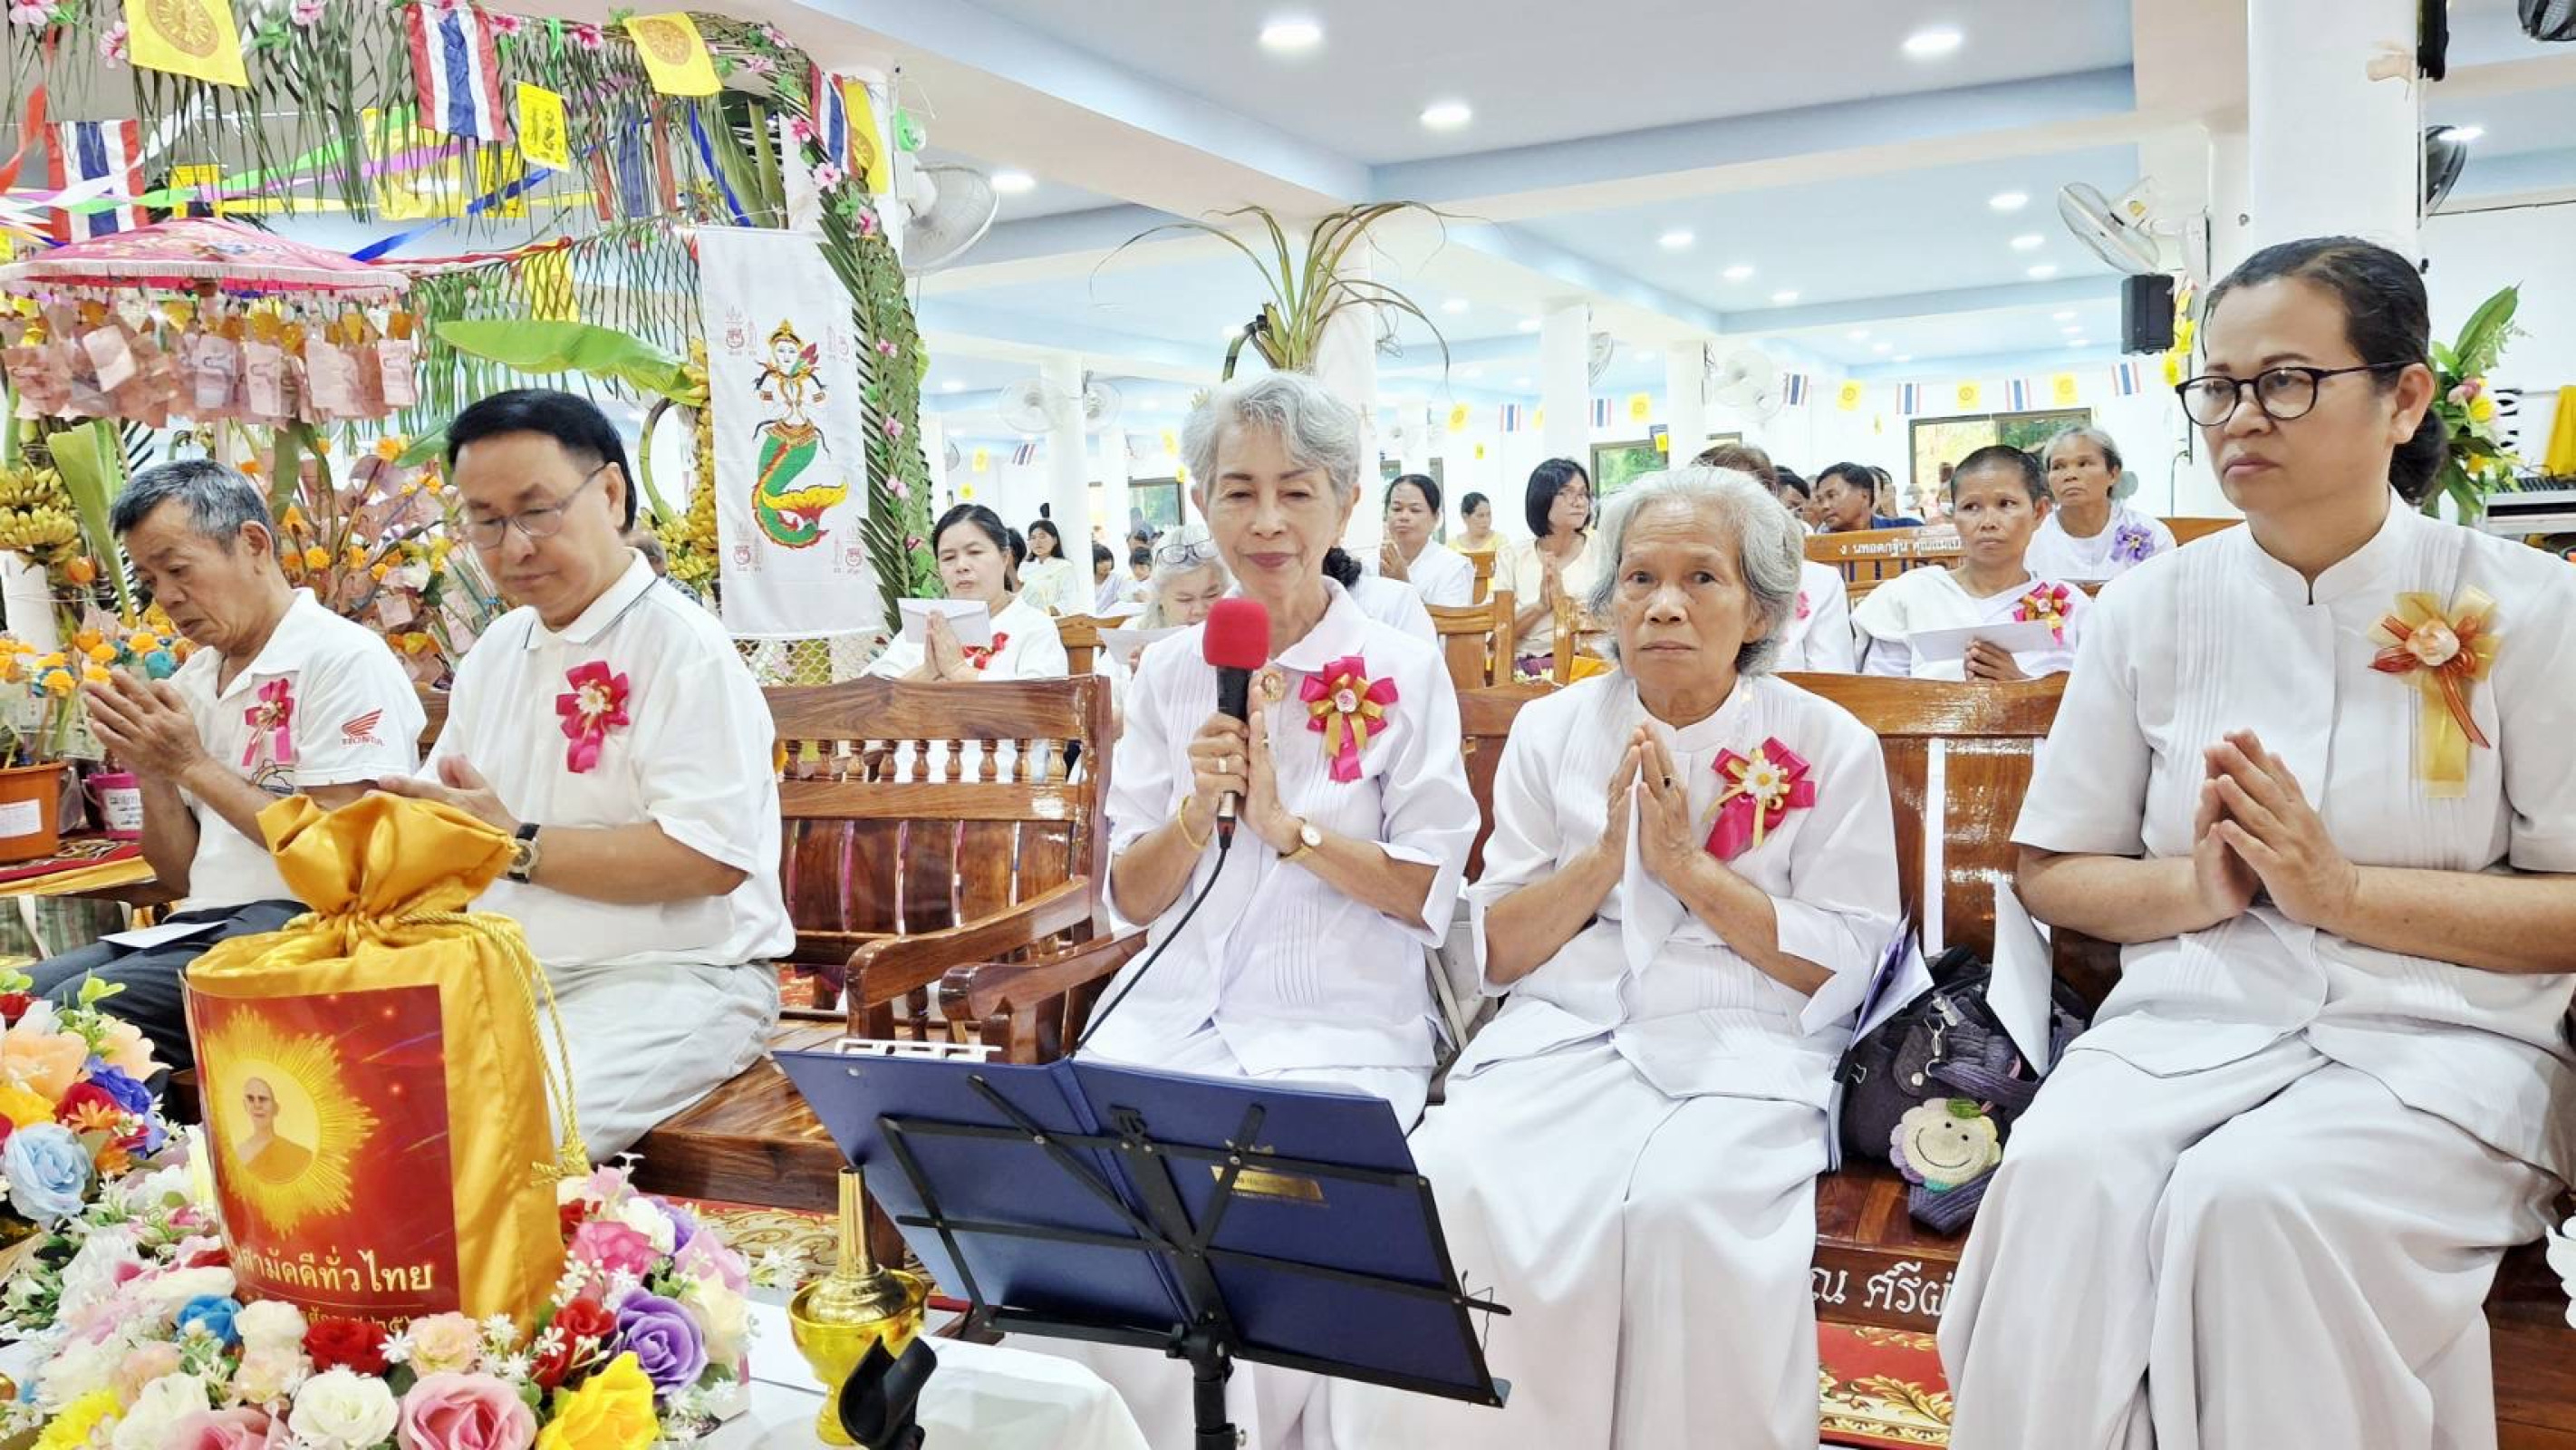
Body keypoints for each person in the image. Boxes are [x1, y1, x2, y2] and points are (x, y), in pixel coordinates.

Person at [1940, 237, 2576, 1449]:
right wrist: (2193, 886)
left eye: (2284, 380)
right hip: (2191, 1019)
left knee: (2255, 1203)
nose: (2241, 417)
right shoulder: (2148, 608)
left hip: (2441, 1041)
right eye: (2217, 387)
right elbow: (2051, 871)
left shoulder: (2524, 611)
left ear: (2401, 397)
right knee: (2060, 1183)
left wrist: (2337, 891)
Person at [1331, 467, 1900, 1450]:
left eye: (1701, 579)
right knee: (1448, 1176)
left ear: (1760, 607)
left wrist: (1685, 868)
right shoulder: (1554, 730)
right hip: (1567, 1029)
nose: (1664, 604)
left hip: (1745, 1037)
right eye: (1637, 579)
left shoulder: (1827, 740)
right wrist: (1601, 860)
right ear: (1605, 603)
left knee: (1686, 1214)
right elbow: (1498, 947)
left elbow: (1847, 962)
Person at [1076, 371, 1477, 1448]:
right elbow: (1129, 897)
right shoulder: (1166, 670)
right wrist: (1196, 806)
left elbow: (1427, 892)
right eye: (1235, 489)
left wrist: (1290, 827)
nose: (1264, 521)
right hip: (1172, 1021)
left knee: (1254, 1250)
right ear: (1198, 504)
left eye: (1294, 492)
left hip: (1335, 1028)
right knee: (1095, 1241)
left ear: (1343, 504)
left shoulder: (1398, 669)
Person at [378, 389, 789, 1159]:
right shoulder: (498, 651)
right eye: (486, 520)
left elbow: (710, 861)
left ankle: (577, 1278)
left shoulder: (682, 648)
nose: (516, 546)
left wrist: (516, 844)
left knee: (489, 1134)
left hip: (675, 980)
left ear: (608, 492)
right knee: (343, 1096)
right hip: (504, 976)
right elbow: (452, 824)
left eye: (537, 511)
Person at [28, 460, 424, 1072]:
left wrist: (189, 762)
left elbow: (343, 864)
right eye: (150, 579)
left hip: (314, 929)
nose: (166, 598)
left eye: (179, 569)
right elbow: (182, 876)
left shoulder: (343, 658)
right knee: (17, 1001)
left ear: (254, 544)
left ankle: (144, 1166)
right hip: (204, 924)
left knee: (69, 1021)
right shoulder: (194, 679)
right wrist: (153, 771)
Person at [1850, 446, 2087, 681]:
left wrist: (2020, 685)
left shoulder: (2069, 604)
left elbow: (2095, 702)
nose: (1988, 522)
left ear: (2039, 512)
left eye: (2006, 504)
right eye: (1971, 507)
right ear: (1954, 517)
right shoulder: (1911, 596)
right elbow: (1880, 697)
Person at [866, 504, 1069, 682]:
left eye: (975, 552)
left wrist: (959, 671)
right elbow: (873, 693)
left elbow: (1043, 704)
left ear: (1005, 557)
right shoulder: (927, 626)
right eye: (948, 557)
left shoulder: (1034, 627)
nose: (961, 566)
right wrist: (926, 672)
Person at [1696, 444, 1851, 672]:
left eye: (1743, 502)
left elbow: (1835, 681)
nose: (1724, 517)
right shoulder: (1667, 587)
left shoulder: (1818, 582)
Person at [2025, 425, 2178, 583]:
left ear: (2113, 474)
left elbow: (2166, 598)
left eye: (2084, 464)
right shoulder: (2028, 538)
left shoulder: (2152, 535)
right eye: (2058, 467)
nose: (2070, 475)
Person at [1499, 459, 1600, 676]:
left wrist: (1568, 609)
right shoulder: (1512, 556)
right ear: (1542, 500)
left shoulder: (1604, 550)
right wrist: (1540, 606)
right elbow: (1497, 635)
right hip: (1525, 669)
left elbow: (1620, 617)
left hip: (1589, 667)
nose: (1579, 502)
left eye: (1583, 493)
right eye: (1566, 492)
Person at [1372, 472, 1475, 607]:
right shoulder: (1369, 564)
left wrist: (1404, 584)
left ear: (1436, 517)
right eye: (1397, 509)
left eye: (1415, 510)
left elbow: (1452, 625)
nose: (1404, 516)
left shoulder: (1453, 567)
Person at [234, 1077, 313, 1185]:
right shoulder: (238, 1154)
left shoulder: (300, 1155)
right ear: (245, 1106)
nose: (257, 1105)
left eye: (263, 1099)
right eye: (251, 1099)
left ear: (276, 1108)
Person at [1018, 517, 1088, 615]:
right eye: (1033, 538)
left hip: (1053, 621)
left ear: (1055, 540)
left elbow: (1068, 601)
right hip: (1024, 618)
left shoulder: (1063, 567)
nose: (1037, 542)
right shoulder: (1024, 567)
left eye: (1042, 537)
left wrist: (1044, 612)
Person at [1814, 462, 1912, 533]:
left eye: (1831, 496)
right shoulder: (1818, 546)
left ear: (1864, 495)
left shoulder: (1908, 529)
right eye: (1820, 500)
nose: (1824, 506)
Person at [1090, 539, 1136, 614]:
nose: (1106, 564)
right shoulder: (1087, 581)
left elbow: (1125, 600)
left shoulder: (1118, 579)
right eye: (1100, 562)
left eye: (1108, 560)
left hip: (1112, 620)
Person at [1454, 489, 1500, 561]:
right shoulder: (1452, 546)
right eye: (1480, 516)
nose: (1486, 520)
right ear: (1465, 517)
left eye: (1488, 514)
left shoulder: (1500, 542)